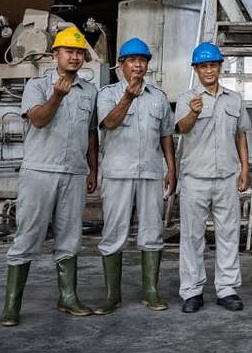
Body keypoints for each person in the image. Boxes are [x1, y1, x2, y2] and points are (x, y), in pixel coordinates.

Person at [0, 25, 99, 327]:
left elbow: (91, 132)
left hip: (73, 173)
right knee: (27, 237)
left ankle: (67, 297)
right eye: (69, 51)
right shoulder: (37, 86)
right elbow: (39, 120)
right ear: (55, 54)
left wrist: (93, 168)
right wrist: (56, 96)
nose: (75, 57)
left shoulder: (90, 91)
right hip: (39, 172)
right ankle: (11, 306)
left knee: (70, 239)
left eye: (80, 53)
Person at [95, 37, 176, 314]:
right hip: (118, 173)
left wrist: (171, 170)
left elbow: (166, 135)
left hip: (152, 173)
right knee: (114, 232)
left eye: (142, 60)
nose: (138, 65)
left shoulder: (159, 97)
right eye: (132, 60)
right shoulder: (107, 94)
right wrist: (128, 96)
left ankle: (150, 291)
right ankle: (111, 295)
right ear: (121, 65)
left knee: (153, 232)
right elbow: (109, 123)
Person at [174, 41, 251, 314]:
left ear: (220, 67)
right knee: (193, 236)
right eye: (204, 66)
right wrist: (194, 113)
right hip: (195, 176)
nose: (209, 70)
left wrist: (245, 168)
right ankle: (192, 291)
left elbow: (241, 134)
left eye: (213, 65)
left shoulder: (234, 99)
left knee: (229, 234)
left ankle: (227, 289)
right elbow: (181, 129)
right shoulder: (187, 99)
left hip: (226, 176)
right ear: (196, 69)